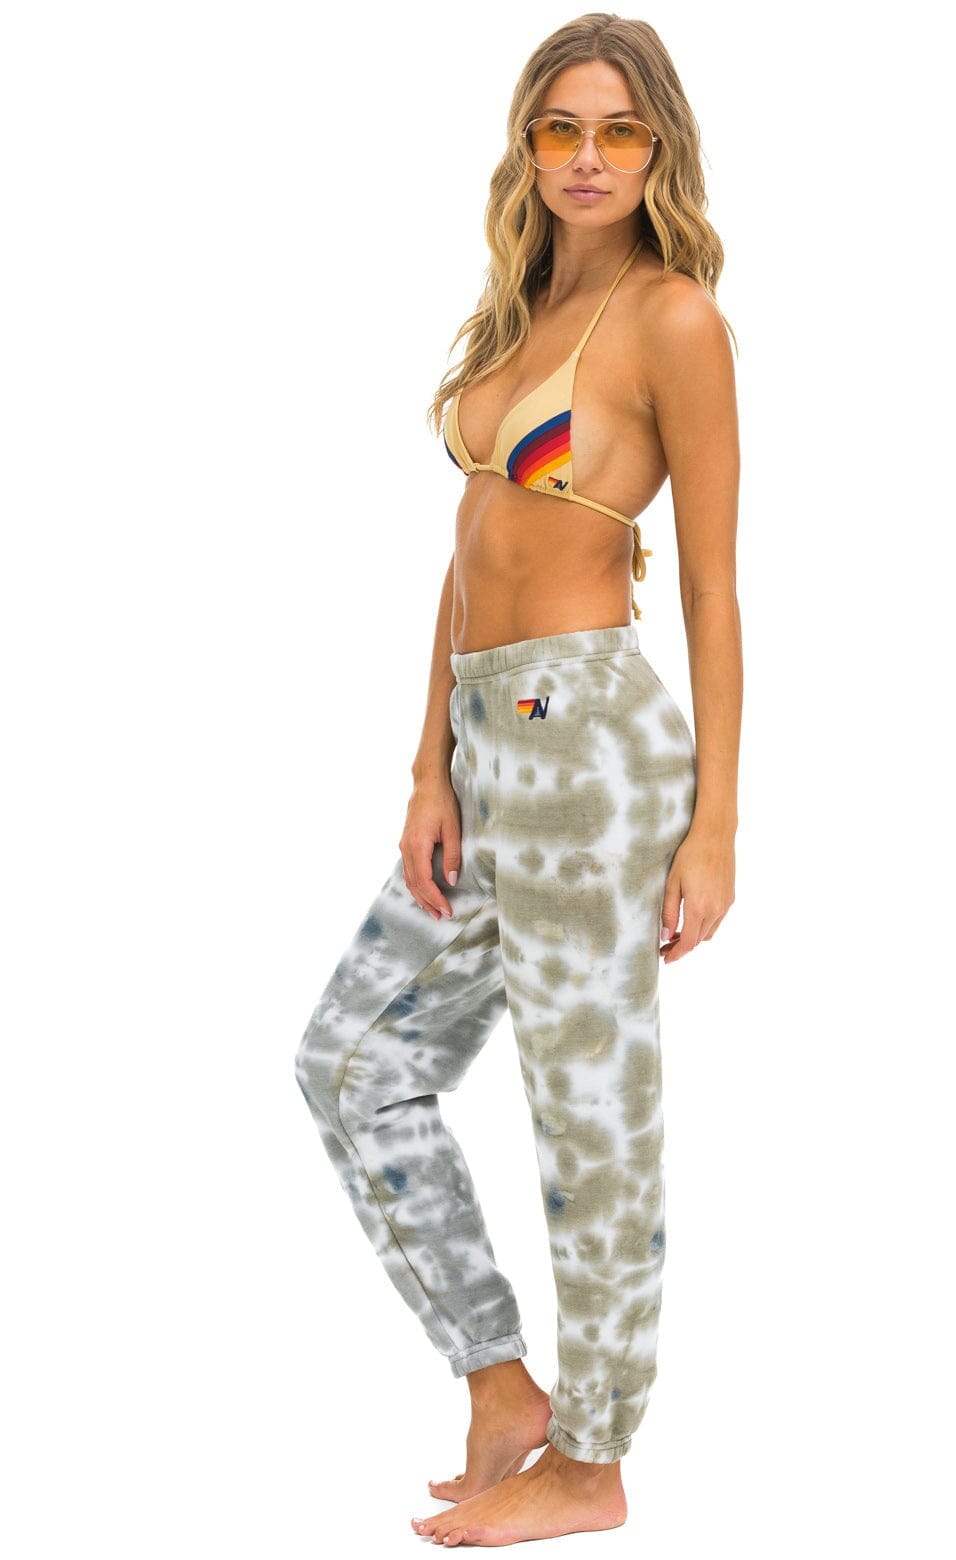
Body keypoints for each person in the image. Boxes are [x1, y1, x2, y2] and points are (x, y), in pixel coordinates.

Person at [294, 12, 740, 1547]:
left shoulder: (673, 320)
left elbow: (711, 587)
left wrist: (717, 822)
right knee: (351, 1060)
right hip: (488, 744)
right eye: (562, 129)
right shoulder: (519, 317)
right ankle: (502, 1383)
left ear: (659, 145)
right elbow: (468, 554)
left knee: (587, 1114)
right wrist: (428, 764)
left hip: (593, 745)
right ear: (529, 147)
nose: (589, 157)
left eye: (619, 130)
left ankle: (595, 1459)